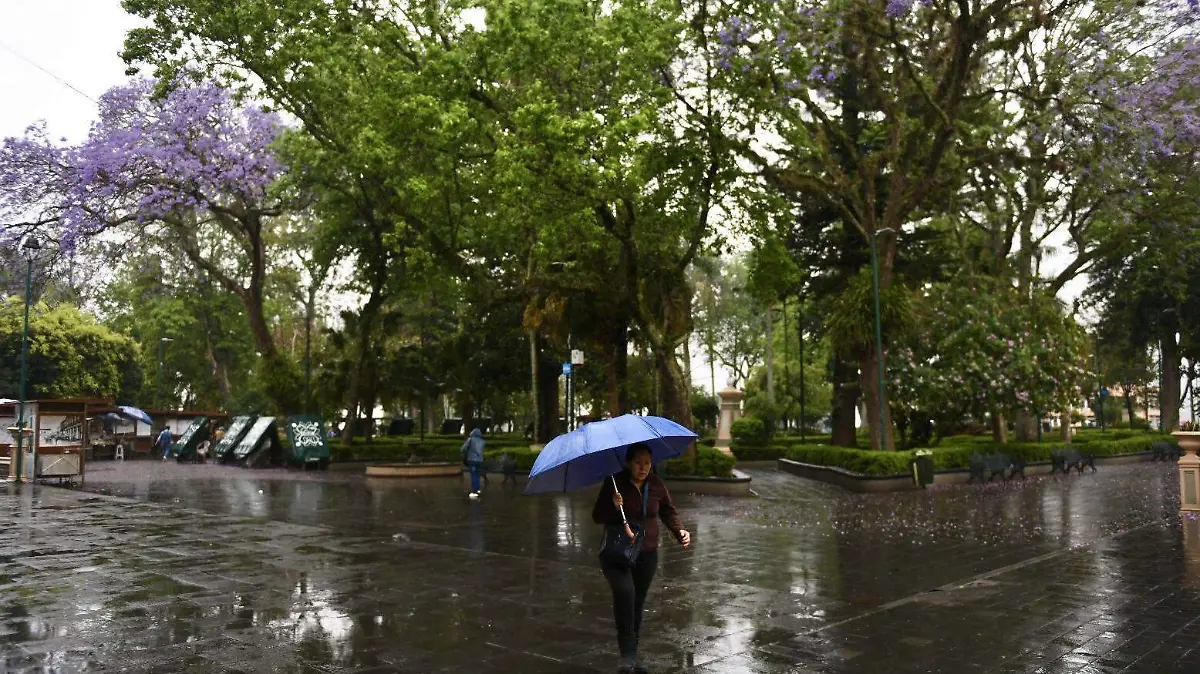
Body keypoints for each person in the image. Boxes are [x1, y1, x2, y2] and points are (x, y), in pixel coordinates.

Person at [592, 443, 691, 674]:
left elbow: (667, 510)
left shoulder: (656, 484)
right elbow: (597, 516)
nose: (643, 467)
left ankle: (632, 655)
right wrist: (613, 505)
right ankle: (627, 656)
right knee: (625, 595)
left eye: (647, 462)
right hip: (616, 554)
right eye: (638, 462)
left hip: (646, 553)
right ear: (628, 462)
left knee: (636, 603)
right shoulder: (614, 483)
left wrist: (680, 531)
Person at [459, 427, 486, 499]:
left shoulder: (470, 440)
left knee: (473, 474)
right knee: (477, 474)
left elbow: (463, 448)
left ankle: (474, 491)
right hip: (480, 460)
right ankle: (478, 489)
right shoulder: (482, 441)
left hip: (472, 460)